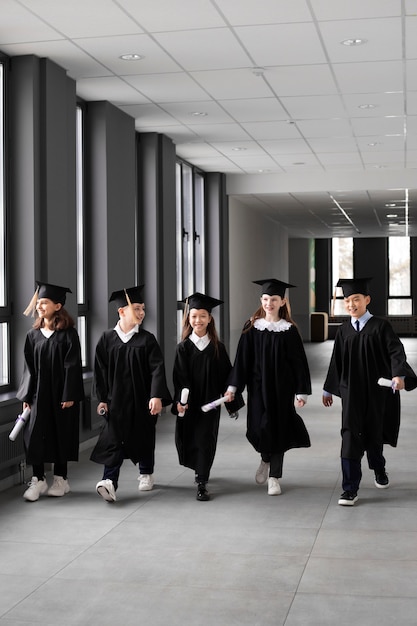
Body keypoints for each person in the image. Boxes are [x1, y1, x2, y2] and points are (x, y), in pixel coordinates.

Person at [322, 277, 417, 506]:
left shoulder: (380, 326)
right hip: (350, 392)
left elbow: (396, 351)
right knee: (349, 436)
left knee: (374, 435)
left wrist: (399, 375)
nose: (351, 304)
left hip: (377, 392)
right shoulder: (344, 330)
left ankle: (379, 468)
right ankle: (349, 489)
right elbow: (337, 361)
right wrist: (328, 388)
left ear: (367, 300)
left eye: (356, 299)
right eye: (347, 300)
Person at [227, 279, 311, 496]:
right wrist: (233, 387)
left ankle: (274, 477)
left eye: (274, 299)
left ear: (282, 301)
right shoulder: (252, 327)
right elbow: (242, 360)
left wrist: (301, 392)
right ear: (261, 300)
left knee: (278, 429)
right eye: (265, 299)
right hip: (257, 390)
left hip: (282, 390)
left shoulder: (289, 330)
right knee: (258, 428)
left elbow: (298, 363)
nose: (269, 303)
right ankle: (265, 458)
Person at [91, 285, 172, 502]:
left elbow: (157, 369)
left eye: (143, 309)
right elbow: (100, 372)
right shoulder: (107, 339)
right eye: (136, 308)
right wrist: (102, 399)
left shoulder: (147, 339)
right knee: (113, 439)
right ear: (121, 311)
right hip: (115, 401)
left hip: (142, 400)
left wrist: (156, 396)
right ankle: (109, 481)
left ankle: (146, 472)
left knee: (144, 435)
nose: (142, 313)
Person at [172, 293, 244, 502]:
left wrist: (232, 401)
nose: (198, 320)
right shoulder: (183, 348)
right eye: (194, 316)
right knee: (188, 438)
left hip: (210, 403)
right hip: (190, 403)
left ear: (210, 319)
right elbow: (179, 378)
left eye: (202, 316)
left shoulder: (216, 347)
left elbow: (227, 376)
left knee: (205, 439)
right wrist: (180, 402)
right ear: (188, 318)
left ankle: (201, 481)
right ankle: (198, 470)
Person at [17, 281, 84, 502]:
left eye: (44, 303)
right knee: (34, 435)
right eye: (39, 303)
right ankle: (38, 479)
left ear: (57, 305)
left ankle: (60, 478)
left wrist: (69, 394)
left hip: (60, 395)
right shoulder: (33, 335)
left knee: (60, 433)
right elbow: (27, 368)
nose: (39, 306)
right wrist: (27, 396)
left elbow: (72, 366)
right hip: (37, 395)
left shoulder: (68, 334)